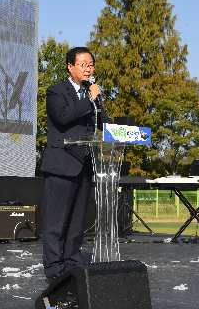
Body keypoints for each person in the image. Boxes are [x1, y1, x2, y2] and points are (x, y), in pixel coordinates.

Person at [40, 47, 113, 283]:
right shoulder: (56, 91)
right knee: (56, 222)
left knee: (76, 222)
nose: (88, 69)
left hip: (84, 164)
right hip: (61, 164)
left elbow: (104, 122)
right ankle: (53, 268)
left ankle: (73, 264)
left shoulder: (92, 96)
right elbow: (62, 117)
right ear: (70, 67)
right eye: (83, 64)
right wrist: (89, 99)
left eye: (91, 64)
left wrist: (124, 133)